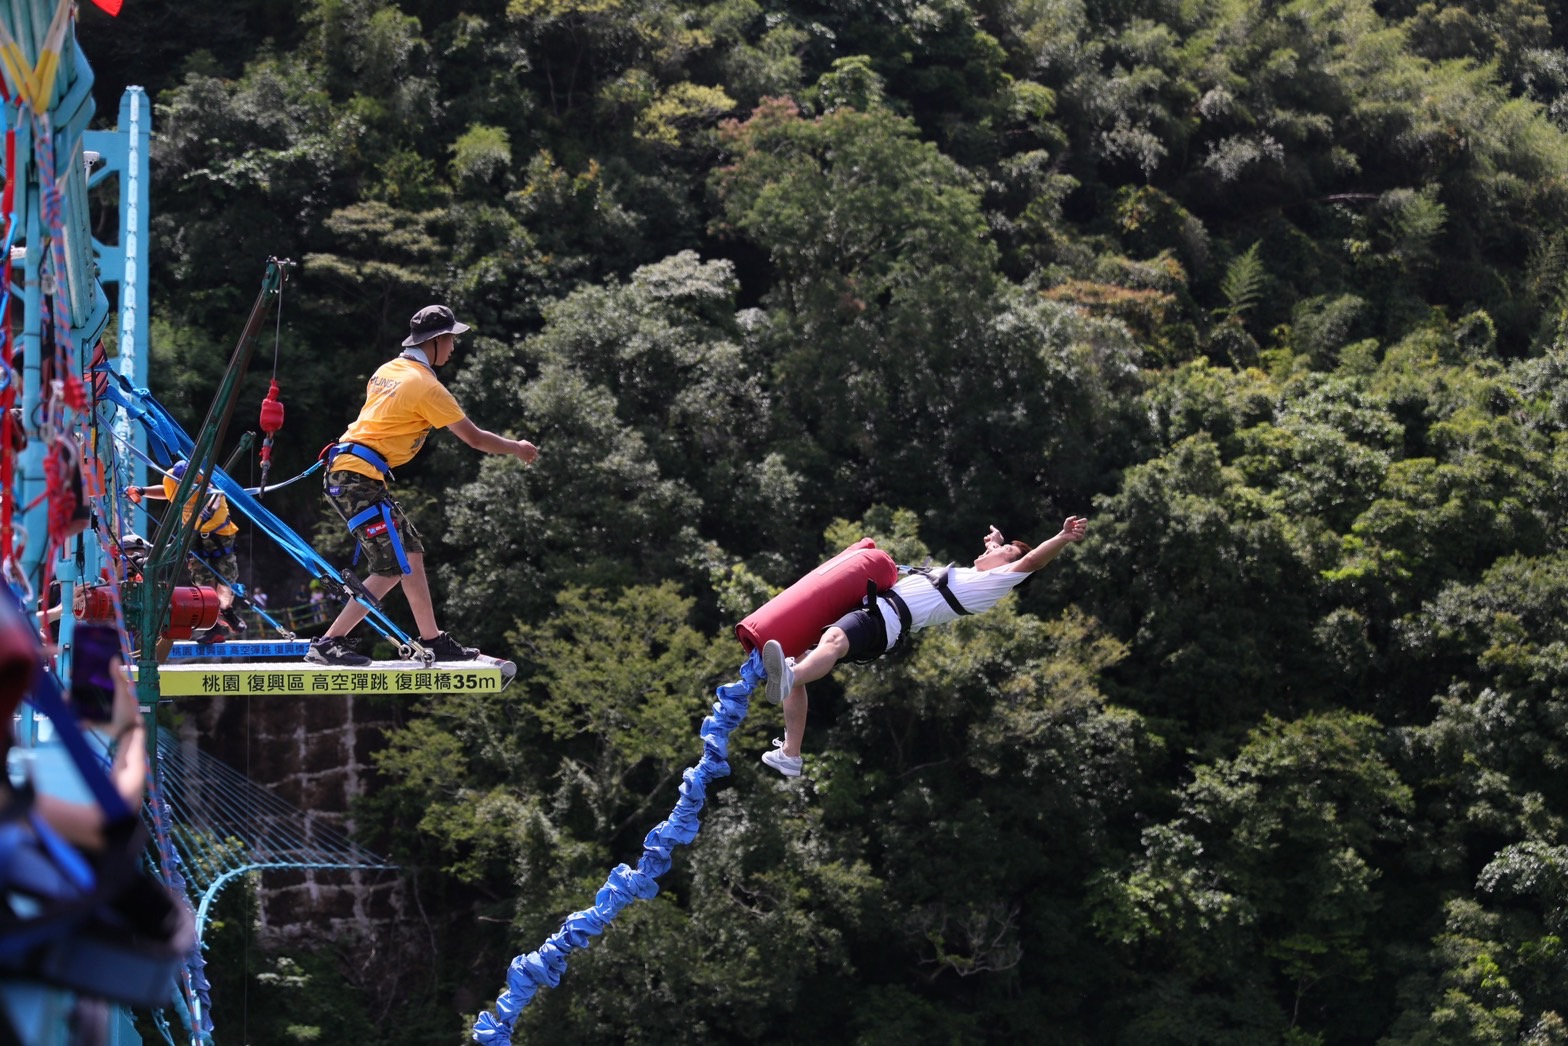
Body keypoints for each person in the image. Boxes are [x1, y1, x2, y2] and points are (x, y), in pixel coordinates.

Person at [759, 516, 1089, 777]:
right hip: (876, 610)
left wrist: (1060, 538)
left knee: (831, 641)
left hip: (884, 620)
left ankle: (792, 677)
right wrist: (997, 545)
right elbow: (1000, 558)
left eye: (1000, 555)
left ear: (1006, 568)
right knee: (799, 656)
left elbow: (1031, 562)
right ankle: (791, 753)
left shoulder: (995, 584)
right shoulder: (972, 575)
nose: (989, 552)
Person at [306, 304, 539, 666]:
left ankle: (432, 639)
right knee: (391, 566)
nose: (452, 347)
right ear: (435, 341)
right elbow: (475, 439)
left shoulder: (388, 370)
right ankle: (329, 642)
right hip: (356, 478)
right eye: (451, 340)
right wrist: (517, 448)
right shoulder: (427, 386)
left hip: (352, 472)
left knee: (409, 553)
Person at [126, 461, 247, 639]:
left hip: (220, 536)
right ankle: (213, 626)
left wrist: (207, 511)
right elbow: (167, 492)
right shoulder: (171, 477)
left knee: (226, 580)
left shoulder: (206, 479)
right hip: (193, 536)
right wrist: (143, 491)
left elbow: (217, 495)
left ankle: (226, 611)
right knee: (203, 583)